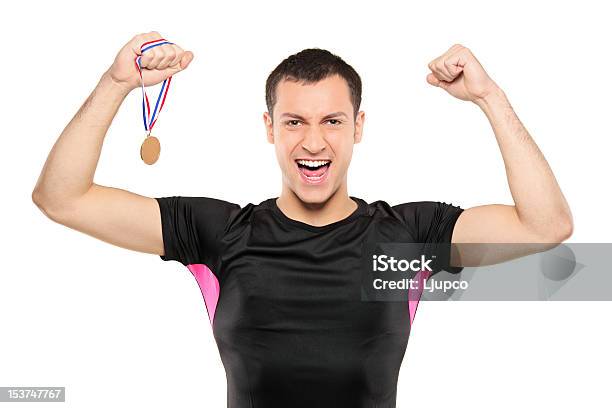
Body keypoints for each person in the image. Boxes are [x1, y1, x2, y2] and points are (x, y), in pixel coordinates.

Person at [32, 32, 573, 408]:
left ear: (358, 127)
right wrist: (114, 83)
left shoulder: (408, 235)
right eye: (294, 121)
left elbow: (545, 225)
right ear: (269, 127)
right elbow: (62, 198)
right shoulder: (219, 233)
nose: (313, 142)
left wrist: (488, 96)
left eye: (332, 121)